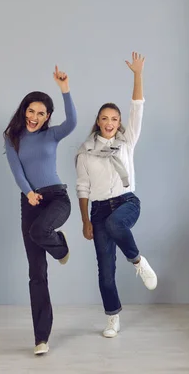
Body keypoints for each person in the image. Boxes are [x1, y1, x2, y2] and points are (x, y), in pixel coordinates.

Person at [75, 51, 157, 339]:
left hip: (126, 203)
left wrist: (137, 74)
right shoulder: (85, 151)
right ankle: (112, 318)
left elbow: (138, 108)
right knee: (105, 270)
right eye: (104, 118)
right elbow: (82, 188)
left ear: (119, 121)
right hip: (97, 210)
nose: (110, 123)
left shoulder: (126, 142)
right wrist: (85, 220)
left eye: (114, 118)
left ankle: (137, 261)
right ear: (98, 122)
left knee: (114, 224)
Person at [4, 66, 77, 355]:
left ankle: (60, 247)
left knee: (39, 232)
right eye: (31, 111)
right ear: (24, 111)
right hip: (30, 200)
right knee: (36, 272)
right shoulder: (12, 137)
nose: (35, 117)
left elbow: (72, 121)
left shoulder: (52, 135)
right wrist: (28, 192)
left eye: (41, 113)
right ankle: (41, 338)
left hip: (57, 197)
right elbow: (16, 169)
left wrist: (65, 88)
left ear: (48, 116)